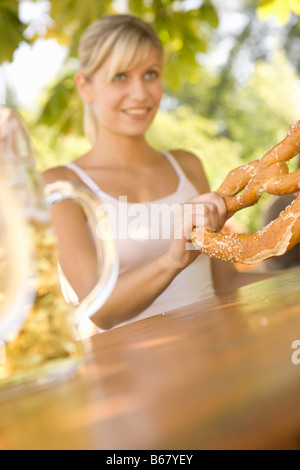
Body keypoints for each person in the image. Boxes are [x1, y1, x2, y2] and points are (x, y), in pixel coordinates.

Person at [42, 15, 283, 332]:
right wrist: (172, 259)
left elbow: (225, 281)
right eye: (120, 77)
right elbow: (98, 310)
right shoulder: (62, 185)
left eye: (151, 74)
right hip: (133, 379)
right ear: (85, 87)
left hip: (219, 358)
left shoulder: (187, 165)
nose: (140, 93)